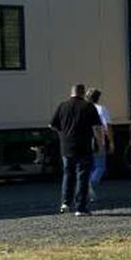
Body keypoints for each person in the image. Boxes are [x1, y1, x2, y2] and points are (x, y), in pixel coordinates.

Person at [49, 83, 102, 215]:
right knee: (82, 176)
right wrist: (99, 143)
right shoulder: (88, 106)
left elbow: (52, 125)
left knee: (68, 175)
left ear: (71, 92)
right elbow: (96, 128)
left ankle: (65, 203)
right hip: (83, 146)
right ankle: (80, 208)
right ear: (83, 93)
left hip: (66, 147)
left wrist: (62, 134)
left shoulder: (62, 105)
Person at [87, 88, 113, 202]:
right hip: (99, 139)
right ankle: (89, 185)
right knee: (100, 166)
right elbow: (108, 126)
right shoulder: (102, 109)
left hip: (85, 139)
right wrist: (111, 142)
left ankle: (90, 194)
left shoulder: (84, 108)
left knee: (90, 167)